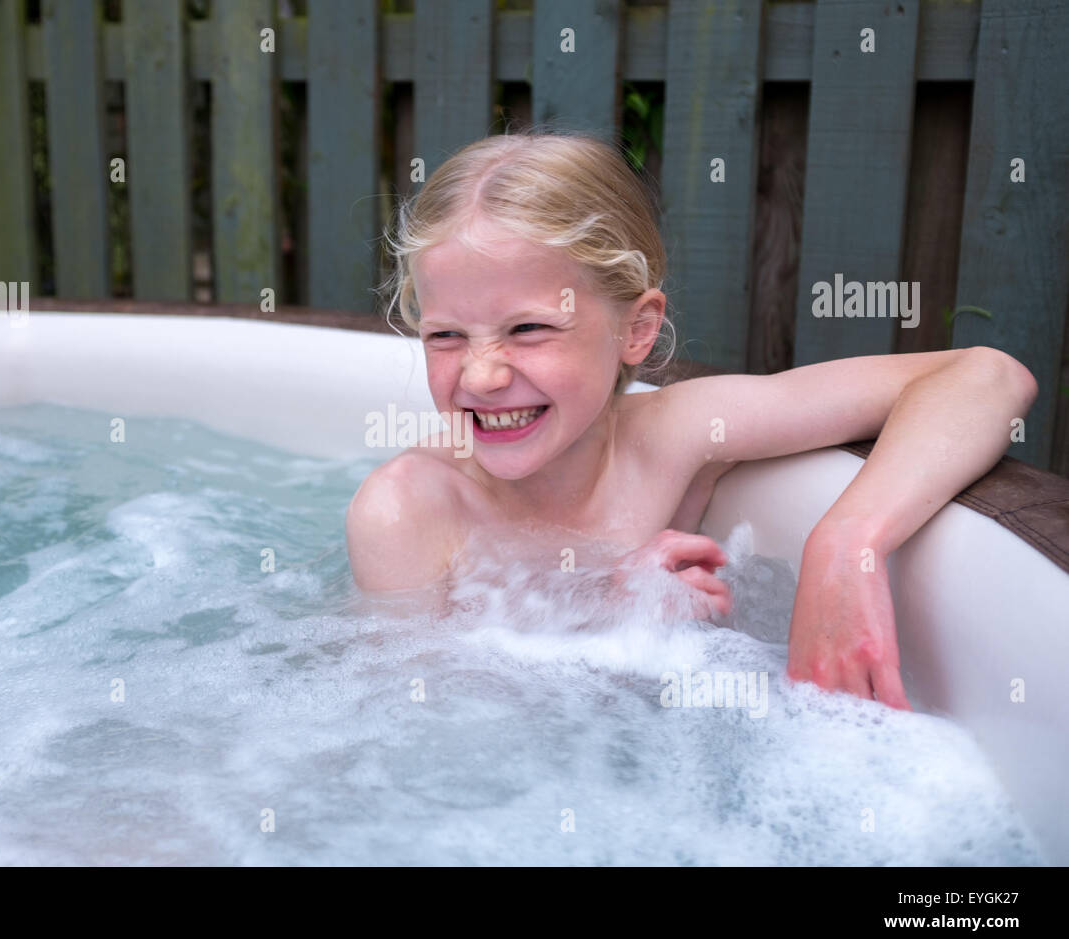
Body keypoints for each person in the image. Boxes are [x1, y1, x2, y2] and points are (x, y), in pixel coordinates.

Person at [346, 131, 1036, 710]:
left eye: (527, 328)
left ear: (637, 330)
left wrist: (847, 543)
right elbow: (419, 724)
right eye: (444, 336)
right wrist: (608, 612)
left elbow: (986, 377)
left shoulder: (678, 435)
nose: (481, 375)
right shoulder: (408, 509)